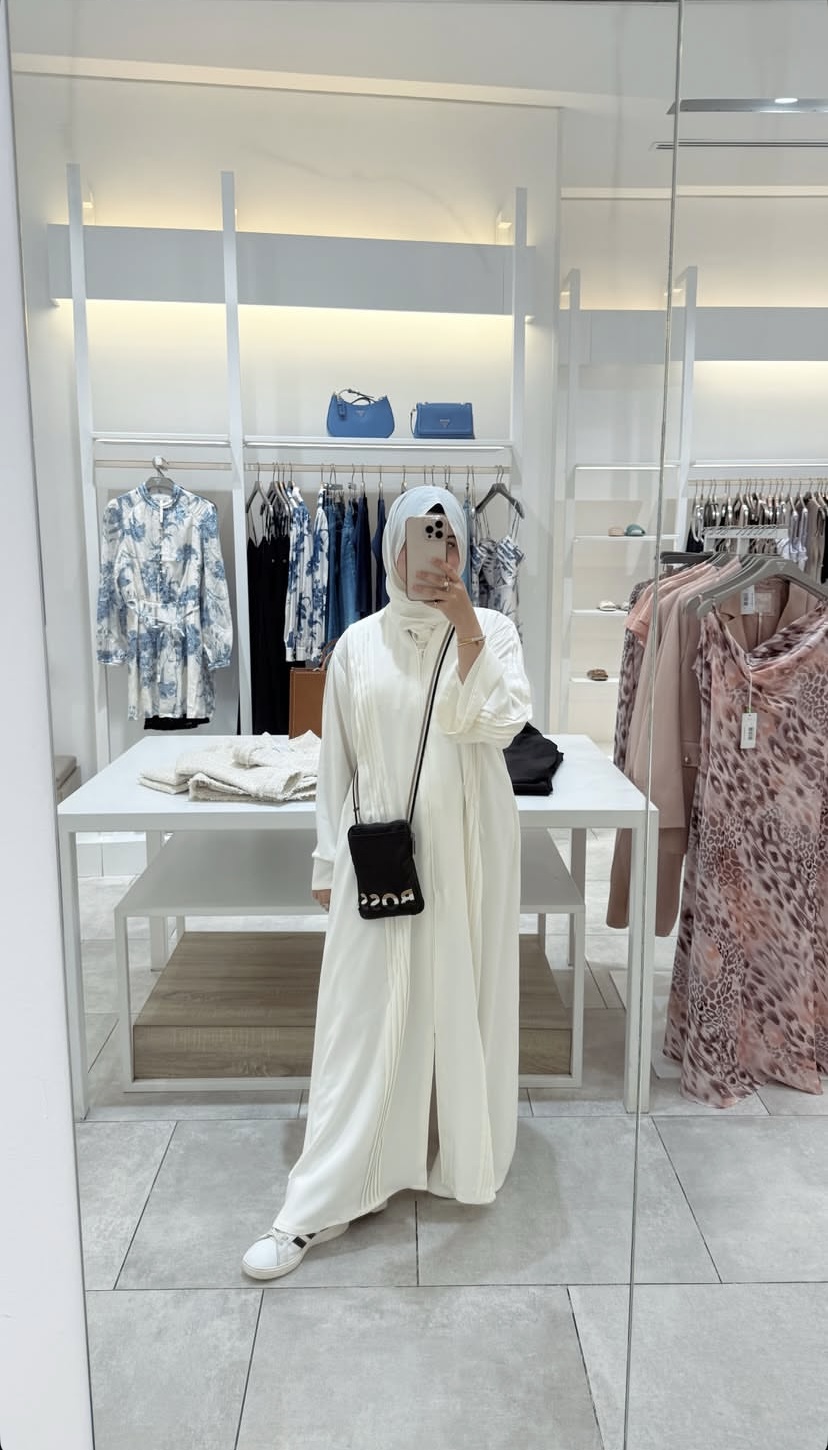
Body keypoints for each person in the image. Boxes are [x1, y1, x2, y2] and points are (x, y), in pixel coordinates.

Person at [242, 484, 532, 1280]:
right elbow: (335, 762)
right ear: (393, 548)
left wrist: (467, 626)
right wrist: (325, 860)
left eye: (450, 537)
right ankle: (322, 1197)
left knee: (457, 992)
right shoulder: (356, 644)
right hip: (380, 850)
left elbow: (499, 721)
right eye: (421, 536)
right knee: (361, 1013)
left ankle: (450, 1151)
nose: (437, 552)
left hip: (471, 845)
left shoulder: (495, 630)